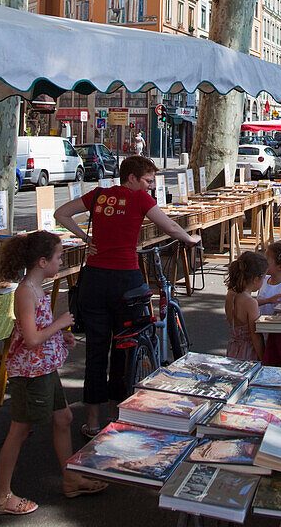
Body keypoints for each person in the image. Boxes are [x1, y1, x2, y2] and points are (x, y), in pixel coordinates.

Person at [54, 155, 200, 438]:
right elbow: (169, 226)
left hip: (94, 281)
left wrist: (87, 241)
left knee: (95, 350)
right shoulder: (139, 200)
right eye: (147, 181)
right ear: (131, 177)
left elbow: (60, 214)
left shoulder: (98, 196)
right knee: (125, 346)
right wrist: (190, 239)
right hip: (127, 282)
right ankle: (115, 413)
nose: (149, 187)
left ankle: (93, 421)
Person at [0, 231, 106, 515]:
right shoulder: (26, 291)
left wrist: (58, 335)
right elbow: (30, 338)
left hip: (43, 367)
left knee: (64, 418)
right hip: (30, 374)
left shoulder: (36, 288)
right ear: (42, 261)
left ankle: (69, 478)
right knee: (20, 429)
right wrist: (60, 325)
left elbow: (37, 331)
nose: (60, 261)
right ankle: (1, 495)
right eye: (57, 257)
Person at [224, 250, 266, 363]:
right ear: (256, 279)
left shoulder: (231, 294)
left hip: (233, 349)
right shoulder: (250, 303)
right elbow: (255, 336)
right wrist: (264, 359)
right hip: (248, 352)